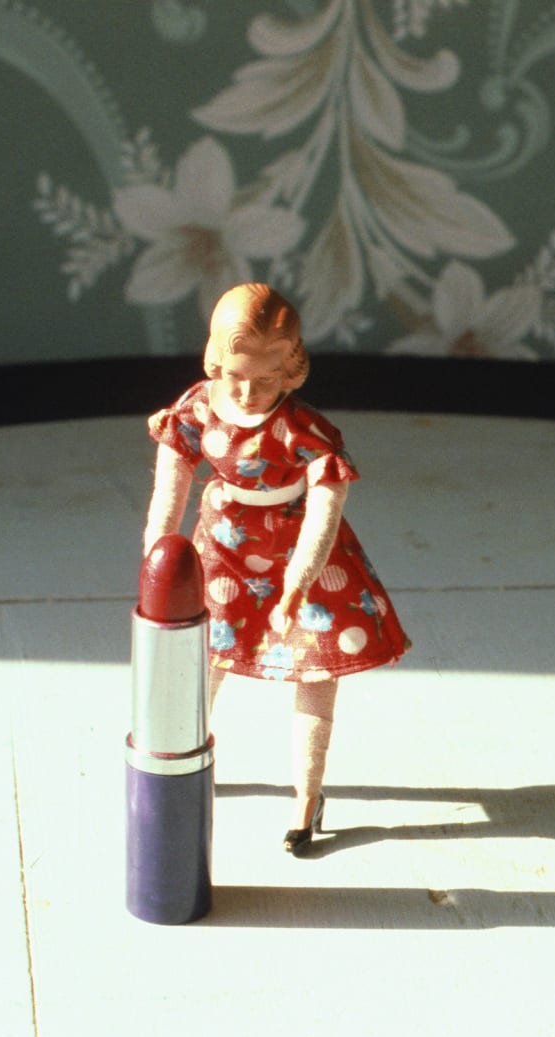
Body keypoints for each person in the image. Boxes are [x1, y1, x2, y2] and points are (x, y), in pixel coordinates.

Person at [143, 282, 410, 853]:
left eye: (266, 380)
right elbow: (174, 478)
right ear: (214, 359)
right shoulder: (196, 407)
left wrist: (299, 580)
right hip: (224, 545)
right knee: (204, 656)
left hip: (301, 554)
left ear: (291, 370)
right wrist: (158, 549)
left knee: (316, 671)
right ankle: (183, 755)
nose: (247, 392)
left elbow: (326, 507)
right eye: (234, 375)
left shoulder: (306, 432)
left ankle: (306, 799)